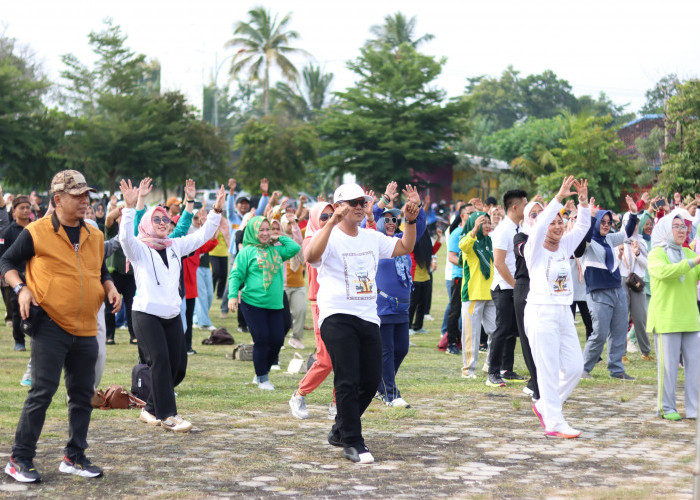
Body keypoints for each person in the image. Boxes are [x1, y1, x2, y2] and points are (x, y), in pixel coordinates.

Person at [1, 170, 121, 483]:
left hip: (85, 326)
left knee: (82, 395)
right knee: (42, 392)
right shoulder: (36, 232)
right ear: (57, 200)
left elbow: (101, 270)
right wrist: (20, 288)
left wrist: (109, 286)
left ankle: (74, 456)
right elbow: (6, 263)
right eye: (77, 195)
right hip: (50, 324)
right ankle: (19, 459)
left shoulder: (94, 235)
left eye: (86, 195)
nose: (85, 201)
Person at [304, 182, 419, 465]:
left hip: (368, 316)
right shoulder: (327, 235)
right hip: (336, 315)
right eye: (353, 202)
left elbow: (405, 246)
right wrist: (330, 222)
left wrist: (411, 220)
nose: (359, 206)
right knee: (347, 377)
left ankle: (340, 429)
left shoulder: (371, 237)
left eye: (362, 201)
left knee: (370, 380)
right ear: (340, 206)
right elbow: (310, 256)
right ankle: (353, 442)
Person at [119, 179, 225, 433]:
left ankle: (150, 408)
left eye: (166, 220)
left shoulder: (176, 246)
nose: (163, 223)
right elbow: (124, 238)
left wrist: (216, 211)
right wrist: (129, 208)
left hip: (171, 314)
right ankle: (168, 415)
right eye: (157, 220)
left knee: (177, 367)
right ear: (147, 224)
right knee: (160, 360)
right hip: (145, 314)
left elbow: (203, 235)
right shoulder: (139, 249)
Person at [525, 176, 590, 438]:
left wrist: (583, 203)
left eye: (560, 221)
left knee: (575, 368)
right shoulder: (533, 249)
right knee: (548, 369)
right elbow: (540, 225)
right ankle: (554, 422)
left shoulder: (565, 245)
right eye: (552, 222)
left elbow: (583, 225)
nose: (556, 225)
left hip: (564, 312)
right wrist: (559, 198)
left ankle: (545, 406)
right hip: (541, 312)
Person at [227, 215, 300, 389]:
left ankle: (262, 373)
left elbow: (294, 247)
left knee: (277, 340)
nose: (265, 233)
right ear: (253, 231)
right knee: (262, 339)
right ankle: (262, 378)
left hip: (274, 304)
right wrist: (231, 296)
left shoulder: (276, 250)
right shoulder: (246, 251)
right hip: (252, 303)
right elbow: (236, 275)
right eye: (261, 230)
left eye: (268, 229)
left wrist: (278, 237)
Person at [375, 190, 426, 407]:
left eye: (395, 219)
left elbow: (419, 228)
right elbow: (370, 216)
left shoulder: (400, 241)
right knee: (386, 352)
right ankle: (390, 393)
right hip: (383, 306)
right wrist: (383, 201)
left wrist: (417, 206)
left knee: (401, 349)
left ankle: (380, 384)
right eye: (386, 219)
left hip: (402, 306)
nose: (391, 223)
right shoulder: (373, 241)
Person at [647, 211, 700, 421]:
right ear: (667, 229)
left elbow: (695, 275)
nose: (682, 230)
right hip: (666, 319)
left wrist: (695, 262)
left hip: (690, 319)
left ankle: (694, 409)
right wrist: (694, 262)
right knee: (668, 369)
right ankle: (666, 407)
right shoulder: (656, 254)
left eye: (684, 227)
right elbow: (665, 273)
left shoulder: (689, 254)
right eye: (676, 226)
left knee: (695, 367)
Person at [579, 196, 639, 380]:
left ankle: (616, 369)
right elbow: (587, 233)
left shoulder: (610, 239)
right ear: (596, 223)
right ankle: (583, 369)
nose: (605, 225)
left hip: (617, 289)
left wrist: (634, 212)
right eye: (602, 222)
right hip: (598, 292)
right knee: (600, 333)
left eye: (608, 222)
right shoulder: (589, 241)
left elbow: (627, 233)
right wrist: (589, 215)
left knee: (620, 330)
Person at [289, 202, 336, 420]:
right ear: (315, 219)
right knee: (326, 359)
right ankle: (299, 394)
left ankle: (337, 403)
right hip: (320, 302)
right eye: (323, 216)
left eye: (332, 215)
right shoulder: (311, 240)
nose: (328, 219)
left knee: (345, 358)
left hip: (342, 302)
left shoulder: (340, 237)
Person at [487, 190, 529, 386]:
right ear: (515, 207)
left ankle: (506, 369)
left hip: (515, 287)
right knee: (502, 329)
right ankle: (493, 372)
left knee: (513, 330)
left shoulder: (518, 228)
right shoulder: (503, 230)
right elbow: (498, 262)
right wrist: (515, 285)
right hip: (504, 286)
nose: (526, 208)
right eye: (524, 204)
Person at [458, 211, 496, 380]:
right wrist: (473, 230)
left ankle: (490, 363)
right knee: (471, 335)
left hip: (491, 293)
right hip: (472, 294)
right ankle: (468, 370)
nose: (487, 225)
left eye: (488, 222)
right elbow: (463, 246)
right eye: (483, 222)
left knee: (495, 331)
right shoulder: (469, 240)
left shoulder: (491, 240)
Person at [512, 200, 544, 399]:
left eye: (541, 213)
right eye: (533, 214)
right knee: (528, 340)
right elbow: (525, 251)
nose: (537, 217)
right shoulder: (521, 236)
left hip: (544, 290)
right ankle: (537, 387)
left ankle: (538, 382)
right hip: (525, 288)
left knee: (544, 339)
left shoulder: (551, 237)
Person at [0, 195, 32, 352]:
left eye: (28, 207)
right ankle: (19, 341)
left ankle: (38, 340)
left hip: (35, 275)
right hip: (16, 277)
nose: (26, 211)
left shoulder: (36, 228)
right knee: (18, 310)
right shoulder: (8, 232)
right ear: (14, 211)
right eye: (22, 208)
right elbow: (4, 257)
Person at [620, 211, 653, 361]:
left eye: (636, 223)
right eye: (632, 223)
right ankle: (621, 353)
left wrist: (638, 253)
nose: (634, 226)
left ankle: (645, 351)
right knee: (622, 316)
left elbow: (647, 265)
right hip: (622, 279)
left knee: (640, 317)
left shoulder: (642, 241)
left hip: (638, 280)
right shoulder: (618, 239)